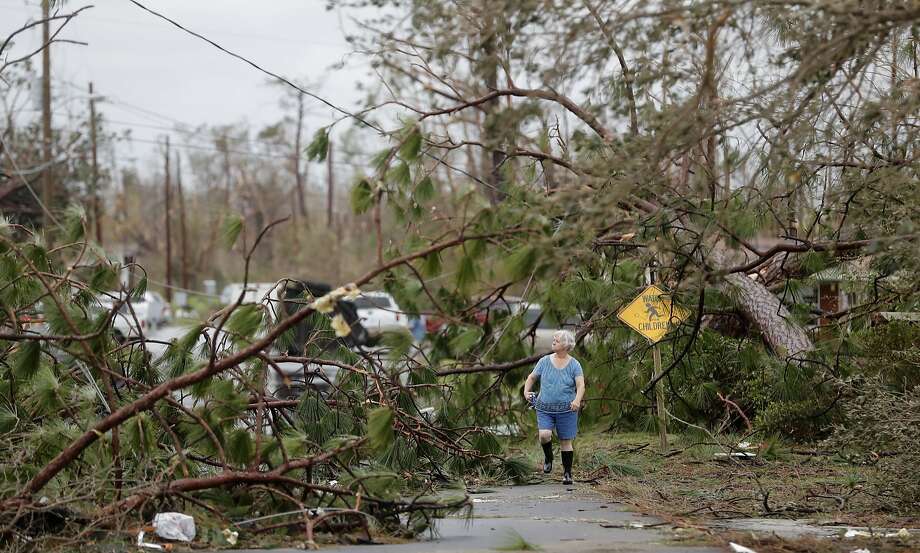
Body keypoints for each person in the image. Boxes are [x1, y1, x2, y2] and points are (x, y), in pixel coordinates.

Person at [522, 330, 585, 485]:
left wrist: (577, 400)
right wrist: (526, 391)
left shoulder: (574, 364)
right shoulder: (544, 361)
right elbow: (532, 377)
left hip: (567, 409)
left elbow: (581, 385)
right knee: (544, 435)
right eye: (554, 339)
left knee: (565, 442)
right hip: (545, 408)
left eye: (557, 340)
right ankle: (549, 457)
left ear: (565, 345)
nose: (554, 340)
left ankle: (567, 474)